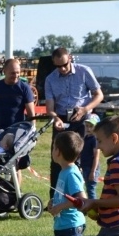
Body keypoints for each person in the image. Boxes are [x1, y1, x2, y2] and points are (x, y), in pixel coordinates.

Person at [45, 47, 104, 197]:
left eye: (64, 64)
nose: (62, 69)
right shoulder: (50, 79)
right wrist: (56, 118)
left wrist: (85, 109)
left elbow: (99, 95)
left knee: (82, 157)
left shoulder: (84, 71)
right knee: (57, 158)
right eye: (58, 66)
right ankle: (55, 198)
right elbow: (50, 109)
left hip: (83, 119)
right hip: (62, 120)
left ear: (70, 58)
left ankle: (81, 197)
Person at [0, 58, 36, 185]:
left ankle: (15, 196)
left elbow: (31, 114)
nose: (15, 76)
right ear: (4, 71)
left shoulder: (24, 88)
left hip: (16, 134)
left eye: (18, 72)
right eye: (12, 73)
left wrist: (32, 135)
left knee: (14, 165)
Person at [47, 131, 87, 236]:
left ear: (58, 152)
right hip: (62, 224)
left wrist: (59, 207)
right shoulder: (64, 171)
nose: (52, 149)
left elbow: (81, 199)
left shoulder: (71, 173)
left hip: (71, 225)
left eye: (54, 146)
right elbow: (65, 195)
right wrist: (53, 202)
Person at [81, 114, 102, 199]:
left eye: (91, 126)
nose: (88, 128)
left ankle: (93, 210)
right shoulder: (86, 137)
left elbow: (96, 156)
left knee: (91, 189)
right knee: (85, 188)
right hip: (85, 167)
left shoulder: (94, 140)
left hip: (91, 169)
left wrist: (93, 171)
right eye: (87, 126)